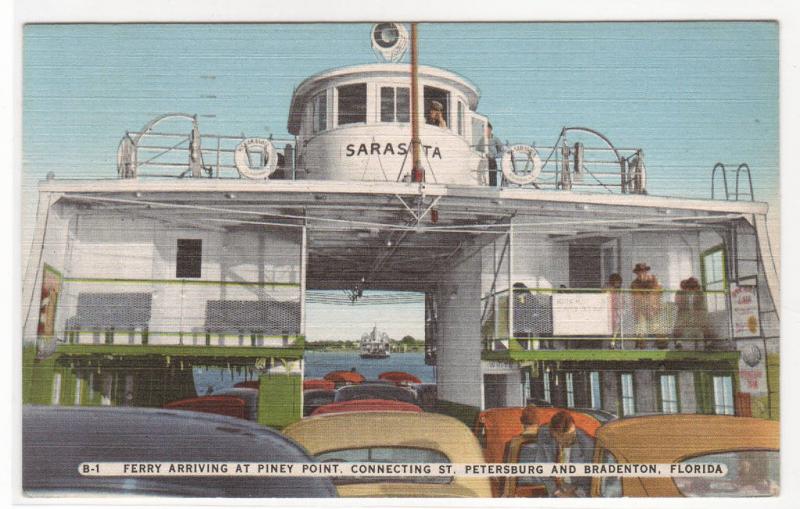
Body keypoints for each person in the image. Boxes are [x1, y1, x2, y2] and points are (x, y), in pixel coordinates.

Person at [532, 411, 594, 497]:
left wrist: (573, 494)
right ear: (554, 434)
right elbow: (540, 467)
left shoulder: (588, 445)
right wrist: (556, 492)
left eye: (572, 434)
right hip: (554, 489)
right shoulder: (545, 434)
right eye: (565, 437)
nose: (571, 439)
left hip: (576, 491)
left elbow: (589, 482)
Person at [673, 277, 712, 350]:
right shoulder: (680, 293)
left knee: (705, 324)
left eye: (693, 287)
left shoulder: (699, 293)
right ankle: (678, 342)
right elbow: (678, 303)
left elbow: (699, 302)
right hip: (685, 315)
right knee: (679, 325)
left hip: (698, 315)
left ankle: (708, 343)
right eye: (689, 287)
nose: (691, 289)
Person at [630, 263, 662, 348]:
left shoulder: (654, 280)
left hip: (653, 309)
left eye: (643, 271)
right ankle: (641, 345)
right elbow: (637, 297)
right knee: (641, 328)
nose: (641, 274)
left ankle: (662, 344)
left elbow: (657, 292)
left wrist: (652, 306)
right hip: (641, 309)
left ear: (646, 271)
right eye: (639, 272)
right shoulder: (634, 283)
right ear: (636, 273)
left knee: (657, 327)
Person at [604, 273, 623, 349]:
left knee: (616, 326)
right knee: (612, 326)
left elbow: (622, 301)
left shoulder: (620, 290)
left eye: (619, 282)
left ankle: (613, 342)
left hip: (616, 311)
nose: (617, 284)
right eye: (616, 282)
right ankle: (612, 342)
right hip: (608, 311)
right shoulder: (607, 287)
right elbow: (604, 294)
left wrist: (622, 310)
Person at [484, 122, 505, 187]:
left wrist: (494, 156)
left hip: (491, 161)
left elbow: (502, 151)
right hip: (482, 161)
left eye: (486, 129)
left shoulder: (495, 139)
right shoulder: (481, 139)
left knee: (492, 180)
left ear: (490, 129)